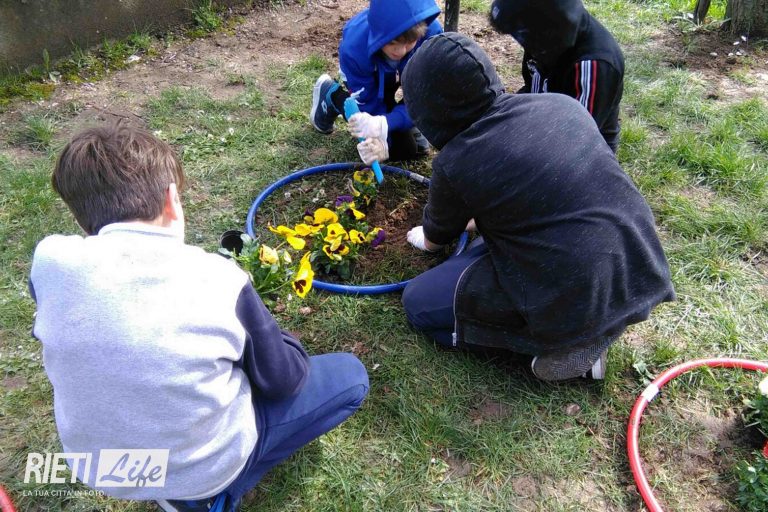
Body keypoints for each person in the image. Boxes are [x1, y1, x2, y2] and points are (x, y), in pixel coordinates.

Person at [29, 123, 369, 511]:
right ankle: (207, 495)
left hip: (103, 469)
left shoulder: (50, 262)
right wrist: (279, 338)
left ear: (80, 219)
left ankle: (171, 484)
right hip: (197, 470)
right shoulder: (217, 279)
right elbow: (284, 381)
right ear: (172, 199)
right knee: (351, 377)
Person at [400, 33, 675, 381]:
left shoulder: (458, 160)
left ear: (431, 110)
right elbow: (528, 196)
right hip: (636, 261)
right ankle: (594, 320)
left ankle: (570, 347)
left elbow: (435, 237)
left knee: (420, 302)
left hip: (576, 285)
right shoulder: (557, 104)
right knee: (495, 242)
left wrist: (422, 236)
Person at [309, 0, 442, 162]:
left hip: (403, 74)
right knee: (403, 150)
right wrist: (379, 138)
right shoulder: (355, 48)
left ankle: (400, 118)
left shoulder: (431, 37)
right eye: (392, 42)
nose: (400, 51)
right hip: (368, 79)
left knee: (413, 141)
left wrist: (387, 123)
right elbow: (368, 105)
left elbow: (426, 97)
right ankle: (333, 95)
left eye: (410, 42)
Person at [489, 0, 625, 153]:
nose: (521, 42)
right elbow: (532, 88)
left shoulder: (594, 65)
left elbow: (579, 138)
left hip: (579, 151)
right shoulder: (542, 35)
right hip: (542, 118)